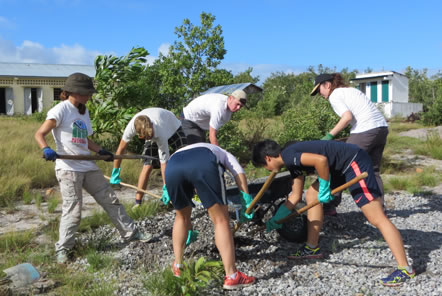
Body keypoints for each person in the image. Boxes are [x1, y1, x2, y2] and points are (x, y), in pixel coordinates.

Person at [252, 139, 415, 287]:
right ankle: (312, 247)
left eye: (264, 167)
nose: (267, 170)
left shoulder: (288, 155)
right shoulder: (292, 163)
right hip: (337, 168)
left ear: (268, 158)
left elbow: (320, 160)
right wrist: (277, 218)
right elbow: (295, 196)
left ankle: (405, 268)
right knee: (311, 195)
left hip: (353, 161)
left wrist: (324, 185)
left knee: (376, 217)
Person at [34, 73, 151, 264]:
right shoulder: (61, 110)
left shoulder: (83, 112)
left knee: (110, 199)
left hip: (88, 165)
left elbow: (84, 139)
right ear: (76, 92)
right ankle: (63, 249)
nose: (90, 96)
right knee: (73, 209)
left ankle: (131, 233)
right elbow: (40, 133)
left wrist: (101, 151)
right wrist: (46, 148)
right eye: (87, 92)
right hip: (68, 167)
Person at [165, 142, 255, 290]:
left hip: (173, 166)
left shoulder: (184, 150)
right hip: (203, 163)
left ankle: (178, 266)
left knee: (181, 217)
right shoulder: (224, 153)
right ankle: (232, 276)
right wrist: (245, 196)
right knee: (220, 220)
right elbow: (238, 171)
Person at [311, 73, 389, 215]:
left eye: (319, 90)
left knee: (340, 165)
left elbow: (347, 117)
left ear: (327, 85)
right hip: (382, 128)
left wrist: (329, 135)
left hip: (365, 130)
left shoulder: (334, 95)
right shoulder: (351, 90)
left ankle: (330, 205)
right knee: (373, 170)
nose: (319, 94)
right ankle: (380, 209)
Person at [110, 108, 187, 206]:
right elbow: (121, 149)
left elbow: (164, 162)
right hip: (154, 131)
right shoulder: (131, 128)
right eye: (146, 138)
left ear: (152, 127)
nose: (149, 138)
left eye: (150, 136)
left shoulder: (159, 132)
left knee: (184, 157)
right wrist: (115, 171)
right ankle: (138, 203)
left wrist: (165, 187)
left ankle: (189, 193)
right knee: (147, 166)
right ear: (140, 134)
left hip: (173, 127)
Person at [181, 89, 247, 145]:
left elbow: (214, 131)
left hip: (199, 125)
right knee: (197, 150)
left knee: (204, 148)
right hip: (189, 119)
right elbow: (212, 136)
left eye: (241, 106)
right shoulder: (219, 107)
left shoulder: (228, 112)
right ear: (230, 98)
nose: (238, 108)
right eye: (237, 104)